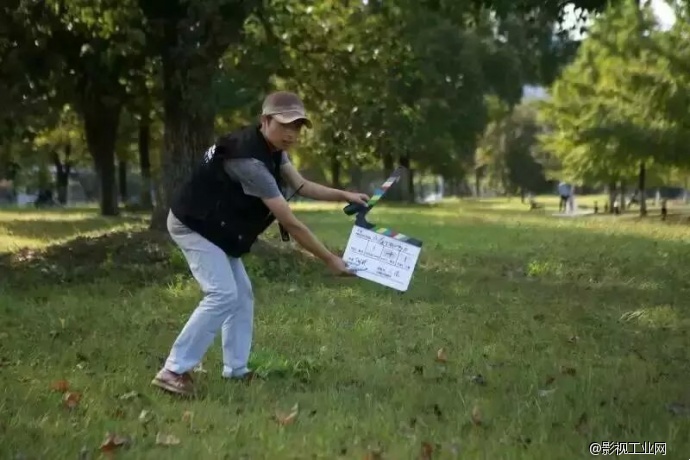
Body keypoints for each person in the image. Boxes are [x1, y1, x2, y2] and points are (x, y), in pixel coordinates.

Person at [151, 91, 370, 396]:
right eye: (285, 125)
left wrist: (345, 195)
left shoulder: (272, 149)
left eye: (298, 126)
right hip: (193, 224)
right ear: (265, 121)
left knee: (242, 295)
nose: (292, 133)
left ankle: (236, 371)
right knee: (223, 294)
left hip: (217, 227)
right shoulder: (250, 161)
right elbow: (291, 223)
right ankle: (173, 370)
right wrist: (329, 259)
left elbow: (301, 185)